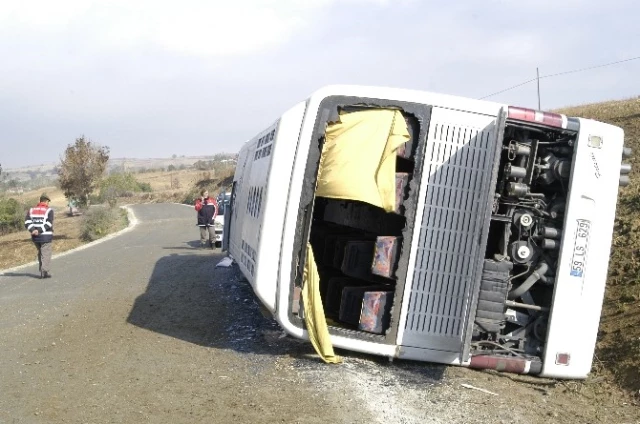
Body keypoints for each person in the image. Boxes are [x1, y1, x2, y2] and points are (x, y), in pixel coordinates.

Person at [24, 193, 54, 279]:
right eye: (48, 202)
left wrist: (33, 230)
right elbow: (49, 223)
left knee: (40, 253)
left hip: (35, 237)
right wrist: (39, 230)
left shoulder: (31, 210)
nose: (48, 204)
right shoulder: (49, 210)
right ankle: (44, 271)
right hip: (46, 236)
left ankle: (43, 271)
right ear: (46, 201)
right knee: (46, 253)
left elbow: (27, 222)